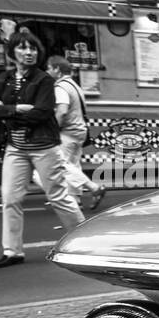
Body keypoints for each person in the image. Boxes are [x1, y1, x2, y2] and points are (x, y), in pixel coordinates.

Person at [0, 30, 84, 268]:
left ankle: (85, 242)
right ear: (12, 52)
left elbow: (42, 112)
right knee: (10, 198)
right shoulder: (4, 79)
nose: (28, 53)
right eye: (23, 48)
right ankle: (12, 251)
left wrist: (6, 109)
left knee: (58, 195)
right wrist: (18, 109)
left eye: (33, 49)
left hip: (43, 147)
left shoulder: (44, 80)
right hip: (15, 147)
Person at [46, 56, 105, 212]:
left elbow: (62, 110)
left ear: (57, 69)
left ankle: (94, 187)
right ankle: (75, 200)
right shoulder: (75, 86)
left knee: (61, 164)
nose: (47, 71)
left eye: (49, 68)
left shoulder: (61, 87)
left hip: (67, 131)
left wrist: (53, 129)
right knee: (73, 166)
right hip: (80, 131)